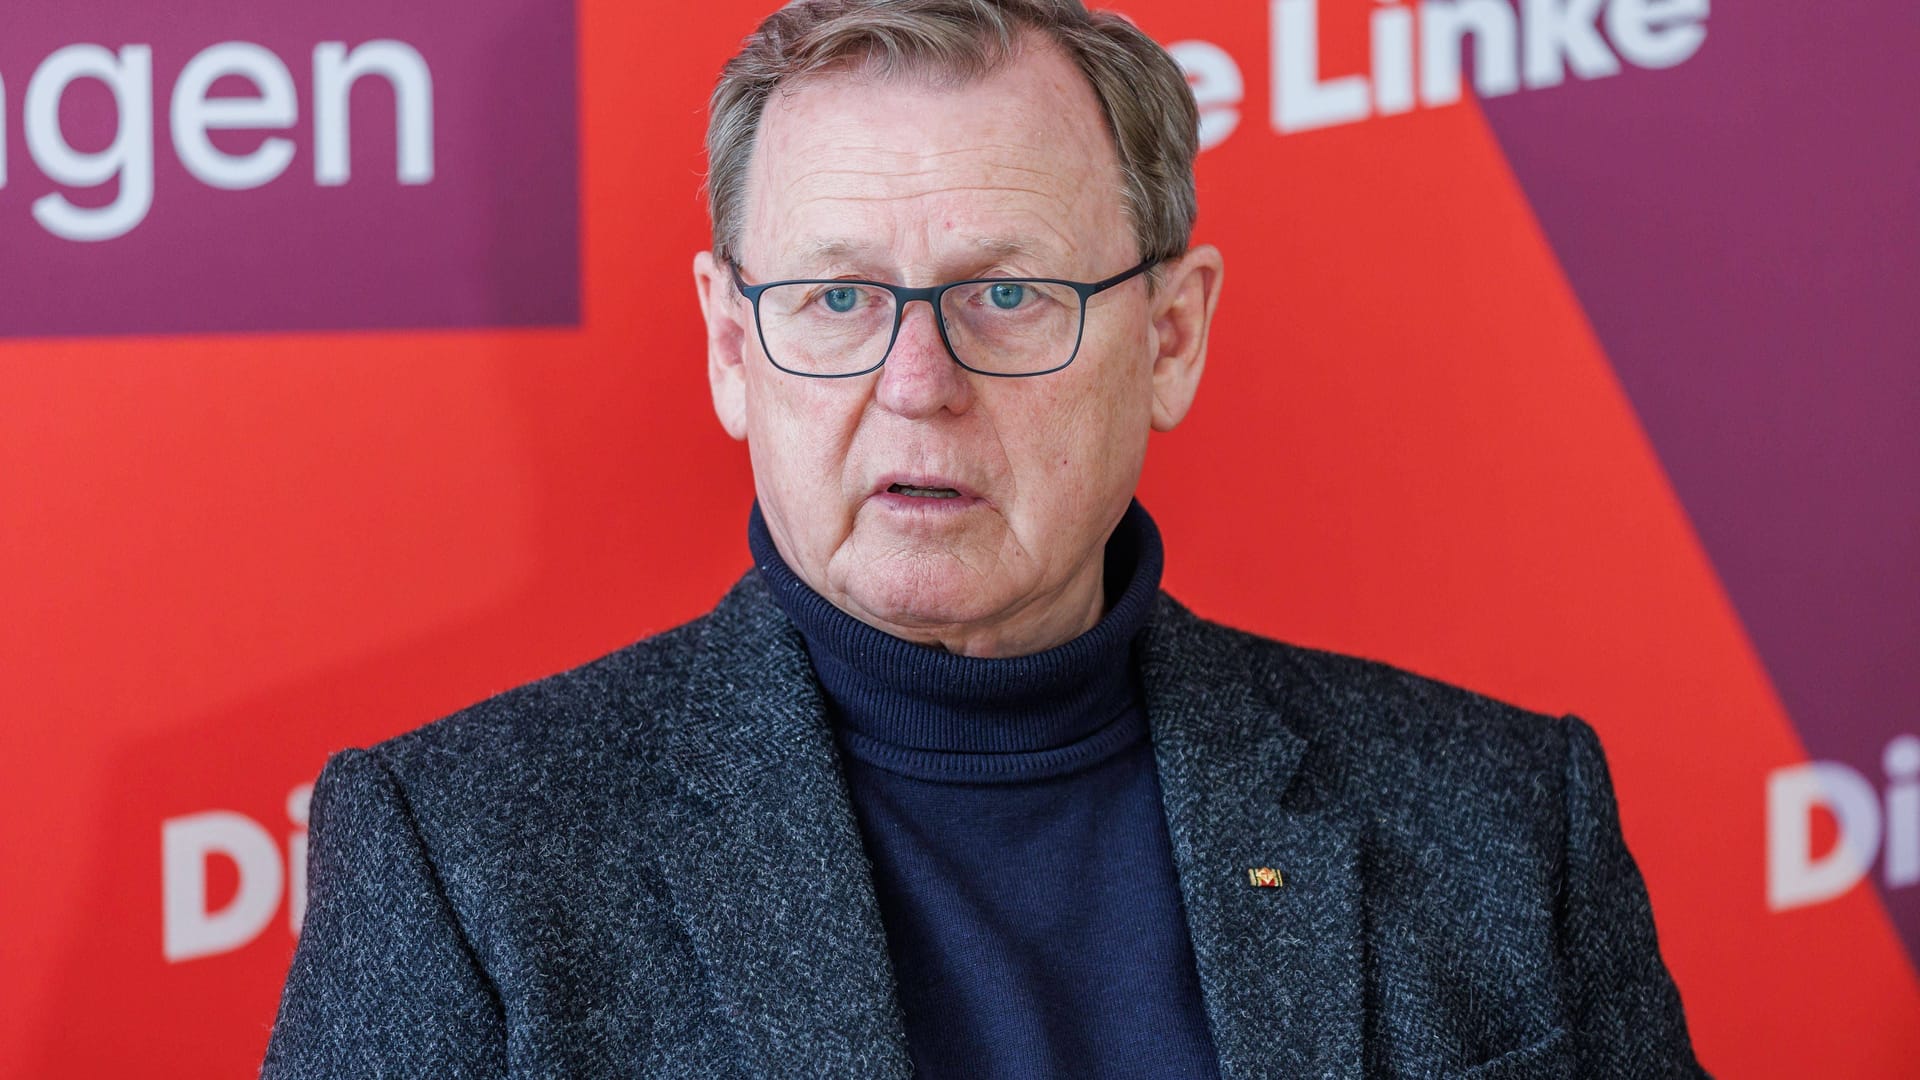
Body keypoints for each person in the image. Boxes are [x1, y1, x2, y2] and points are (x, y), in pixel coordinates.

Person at [262, 1, 1708, 1077]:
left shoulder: (1509, 820)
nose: (916, 384)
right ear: (725, 345)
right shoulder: (460, 859)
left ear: (1173, 335)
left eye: (1006, 295)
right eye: (834, 300)